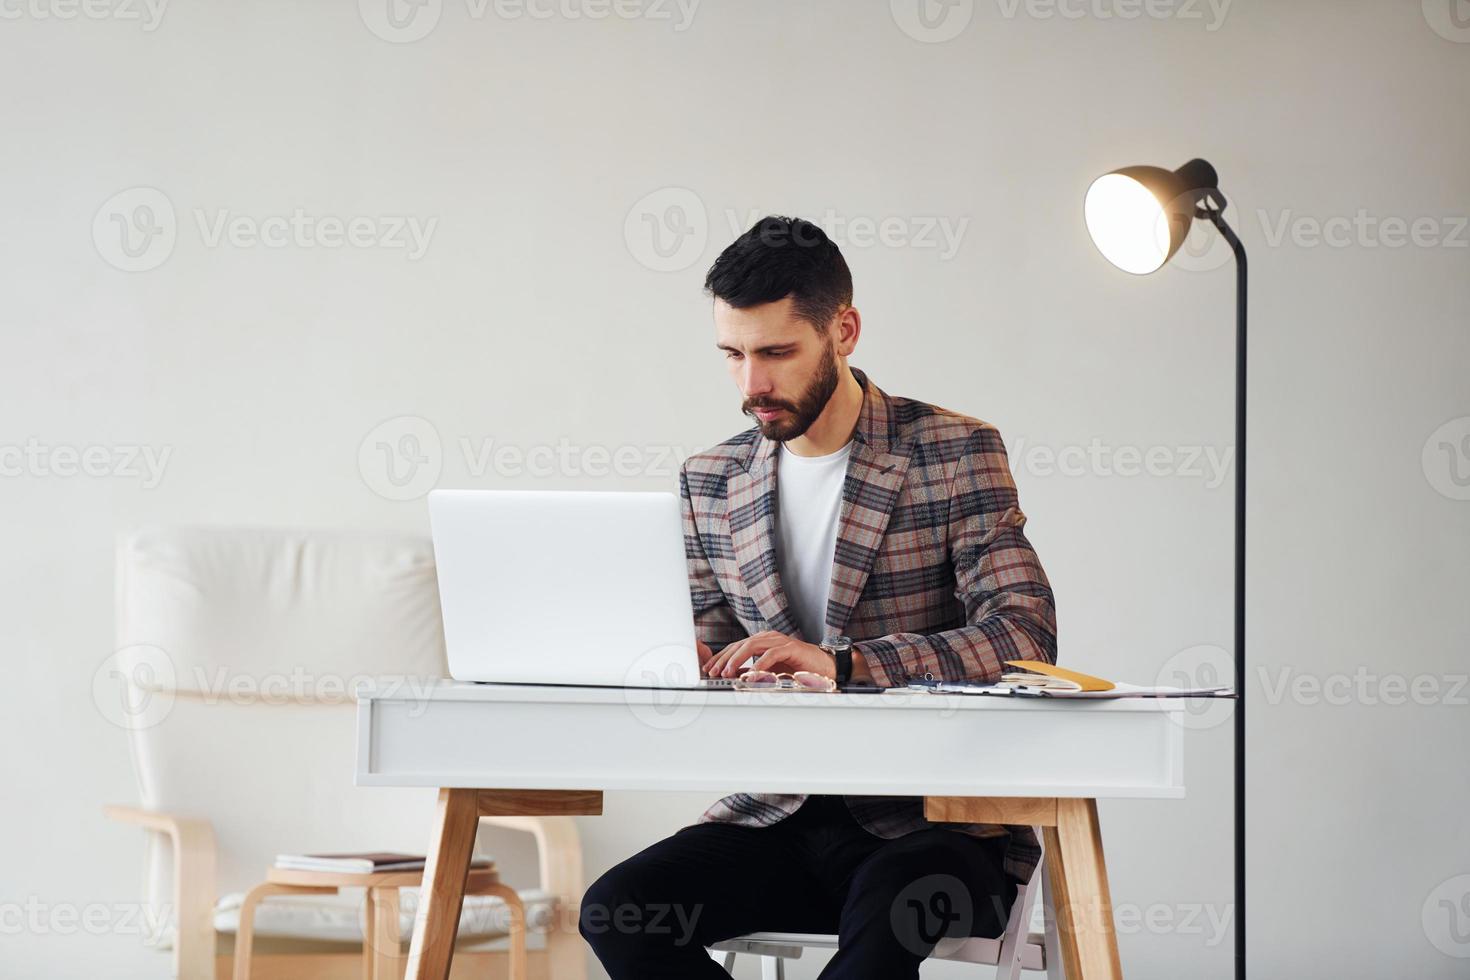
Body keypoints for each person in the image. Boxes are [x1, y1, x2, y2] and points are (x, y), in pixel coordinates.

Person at [580, 215, 1058, 979]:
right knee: (616, 909)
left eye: (776, 352)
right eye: (732, 354)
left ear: (846, 330)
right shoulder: (709, 479)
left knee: (886, 909)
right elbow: (701, 647)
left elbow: (1024, 636)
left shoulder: (954, 452)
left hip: (932, 833)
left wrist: (845, 664)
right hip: (777, 819)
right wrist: (684, 663)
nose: (751, 384)